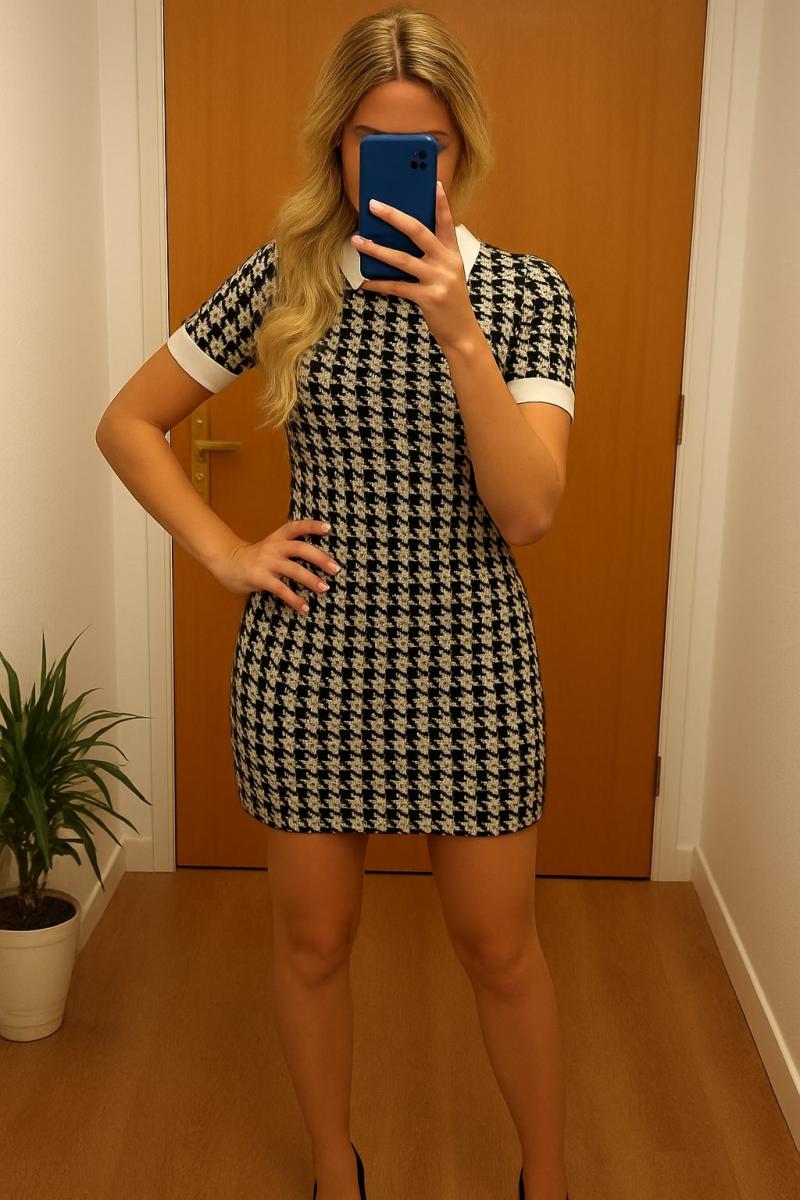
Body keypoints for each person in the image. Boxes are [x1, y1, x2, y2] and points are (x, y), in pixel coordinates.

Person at [96, 7, 577, 1200]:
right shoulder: (286, 278)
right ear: (337, 144)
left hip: (471, 662)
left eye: (426, 145)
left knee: (498, 947)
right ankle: (332, 1171)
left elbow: (527, 511)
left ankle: (547, 1179)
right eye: (373, 140)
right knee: (312, 941)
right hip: (311, 663)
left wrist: (456, 329)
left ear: (459, 148)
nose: (399, 165)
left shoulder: (525, 295)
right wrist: (223, 550)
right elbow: (128, 423)